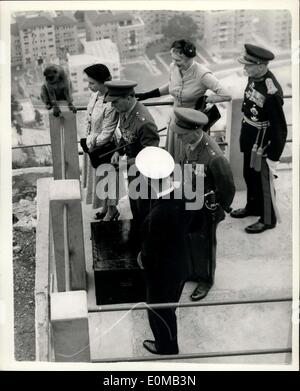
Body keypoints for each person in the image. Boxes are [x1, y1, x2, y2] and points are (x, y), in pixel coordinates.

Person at [172, 107, 235, 301]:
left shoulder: (213, 156)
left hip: (207, 208)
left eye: (183, 135)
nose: (180, 139)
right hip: (190, 201)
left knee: (205, 245)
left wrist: (217, 210)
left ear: (197, 131)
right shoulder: (189, 143)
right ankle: (192, 272)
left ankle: (206, 279)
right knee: (190, 239)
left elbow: (227, 187)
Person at [136, 146, 192, 355]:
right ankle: (167, 341)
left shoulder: (158, 214)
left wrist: (143, 259)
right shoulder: (183, 196)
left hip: (161, 273)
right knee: (170, 306)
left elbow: (150, 253)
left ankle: (166, 347)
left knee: (159, 310)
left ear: (149, 180)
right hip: (181, 263)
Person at [136, 39, 231, 162]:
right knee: (174, 157)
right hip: (175, 120)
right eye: (173, 59)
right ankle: (177, 179)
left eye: (178, 60)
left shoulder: (203, 75)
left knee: (188, 158)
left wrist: (209, 99)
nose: (174, 63)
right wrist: (146, 95)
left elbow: (227, 95)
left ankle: (188, 180)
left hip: (191, 126)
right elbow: (171, 86)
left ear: (189, 59)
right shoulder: (173, 68)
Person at [230, 44, 288, 233]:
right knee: (249, 175)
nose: (244, 69)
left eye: (248, 65)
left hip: (264, 143)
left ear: (261, 66)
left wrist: (273, 156)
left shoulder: (272, 93)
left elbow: (280, 127)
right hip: (250, 137)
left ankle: (267, 219)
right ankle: (253, 207)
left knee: (263, 182)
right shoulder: (254, 76)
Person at [104, 80, 160, 230]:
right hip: (133, 169)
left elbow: (151, 154)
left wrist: (126, 163)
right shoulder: (125, 111)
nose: (112, 106)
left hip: (145, 174)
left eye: (115, 102)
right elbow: (125, 136)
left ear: (128, 97)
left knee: (143, 209)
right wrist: (118, 151)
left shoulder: (144, 122)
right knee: (135, 205)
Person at [81, 64, 119, 221]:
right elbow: (88, 117)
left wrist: (89, 143)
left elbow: (107, 132)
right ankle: (105, 207)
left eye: (92, 83)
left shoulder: (112, 102)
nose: (89, 86)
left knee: (108, 178)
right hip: (92, 143)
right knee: (100, 178)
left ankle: (112, 210)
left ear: (104, 82)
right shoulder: (95, 95)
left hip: (104, 145)